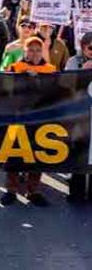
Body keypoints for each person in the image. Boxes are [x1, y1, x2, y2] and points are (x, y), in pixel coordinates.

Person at [0, 36, 53, 207]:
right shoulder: (15, 67)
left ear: (43, 51)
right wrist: (22, 76)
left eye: (38, 50)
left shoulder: (50, 69)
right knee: (13, 155)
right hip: (17, 117)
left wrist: (38, 79)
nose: (34, 53)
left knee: (37, 154)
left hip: (39, 119)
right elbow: (5, 87)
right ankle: (11, 190)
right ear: (24, 51)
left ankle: (33, 191)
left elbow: (55, 93)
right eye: (31, 50)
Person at [65, 31, 92, 203]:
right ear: (83, 47)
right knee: (79, 153)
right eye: (91, 48)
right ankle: (76, 192)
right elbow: (65, 85)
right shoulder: (73, 61)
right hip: (79, 114)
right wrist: (83, 72)